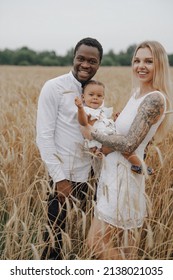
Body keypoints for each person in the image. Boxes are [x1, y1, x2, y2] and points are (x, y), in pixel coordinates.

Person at [81, 41, 172, 259]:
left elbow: (130, 143)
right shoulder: (137, 94)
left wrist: (91, 133)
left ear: (159, 64)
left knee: (95, 243)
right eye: (137, 60)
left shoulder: (155, 99)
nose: (141, 66)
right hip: (113, 173)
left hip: (124, 178)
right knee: (125, 249)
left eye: (149, 61)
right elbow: (123, 134)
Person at [36, 37, 103, 260]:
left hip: (91, 177)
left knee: (86, 238)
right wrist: (59, 179)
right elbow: (44, 137)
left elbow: (96, 127)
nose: (86, 65)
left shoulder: (94, 91)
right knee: (54, 241)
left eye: (92, 61)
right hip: (64, 178)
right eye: (81, 59)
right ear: (73, 58)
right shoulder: (54, 87)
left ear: (99, 63)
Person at [75, 79, 154, 175]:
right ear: (83, 97)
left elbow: (105, 124)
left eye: (99, 96)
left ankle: (138, 160)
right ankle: (138, 165)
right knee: (122, 146)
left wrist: (116, 121)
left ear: (103, 98)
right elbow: (83, 122)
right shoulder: (85, 111)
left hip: (107, 136)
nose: (95, 98)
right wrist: (80, 108)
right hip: (98, 141)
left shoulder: (102, 111)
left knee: (123, 143)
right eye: (91, 95)